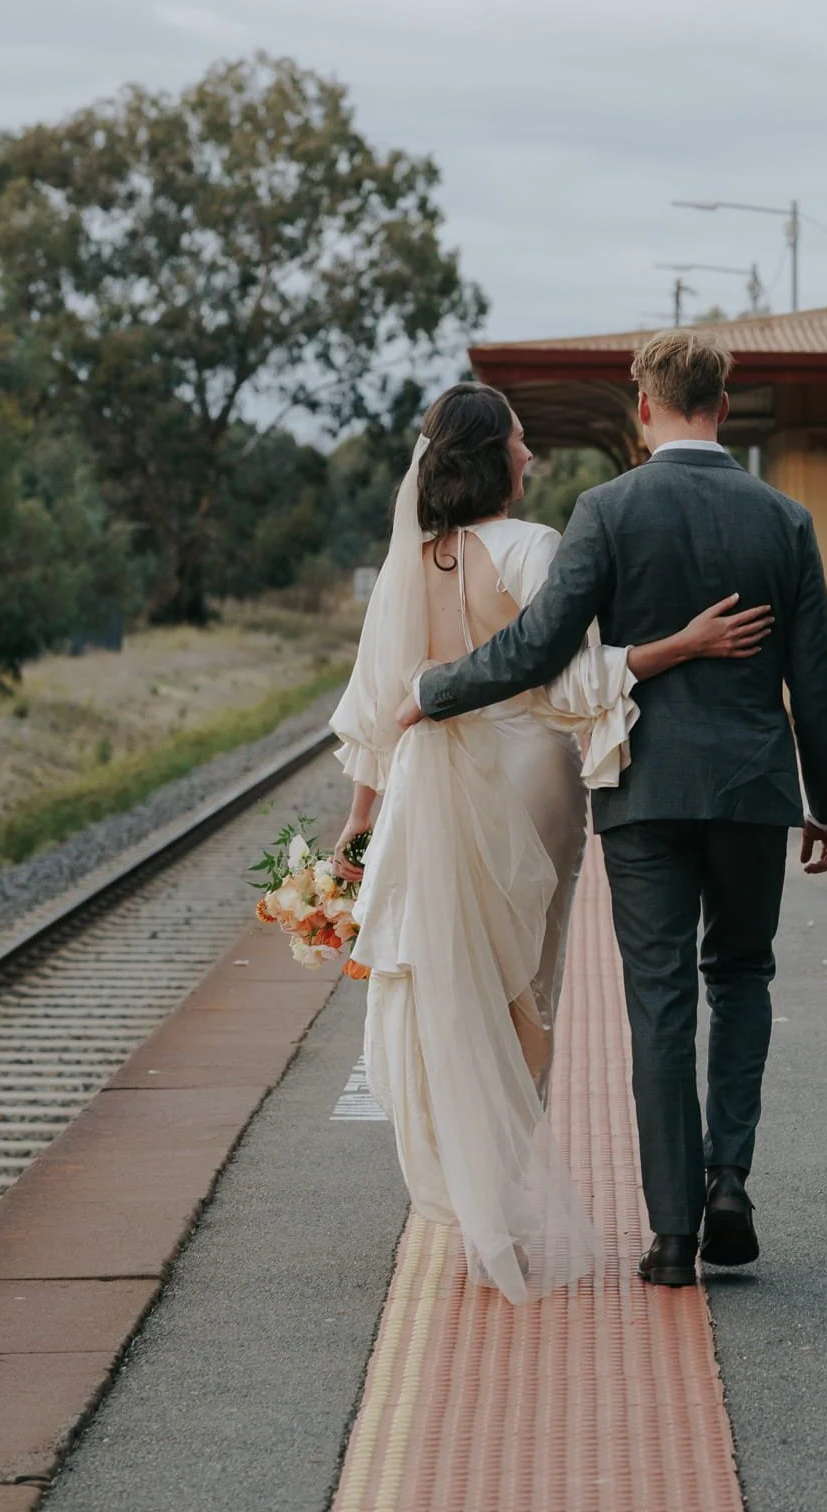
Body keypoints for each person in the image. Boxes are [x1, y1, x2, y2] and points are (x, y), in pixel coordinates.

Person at [403, 331, 827, 1289]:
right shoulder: (785, 520)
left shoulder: (607, 509)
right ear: (720, 407)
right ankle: (729, 1177)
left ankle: (673, 1237)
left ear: (642, 408)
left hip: (645, 790)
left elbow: (534, 648)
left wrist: (434, 689)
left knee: (659, 1000)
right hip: (752, 792)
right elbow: (816, 677)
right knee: (741, 976)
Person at [327, 382, 772, 1304]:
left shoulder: (412, 560)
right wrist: (680, 646)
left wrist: (358, 823)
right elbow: (568, 681)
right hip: (527, 773)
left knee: (447, 983)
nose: (531, 456)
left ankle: (476, 1204)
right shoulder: (533, 549)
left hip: (422, 785)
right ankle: (508, 1202)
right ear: (492, 457)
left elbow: (378, 710)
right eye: (522, 442)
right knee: (527, 994)